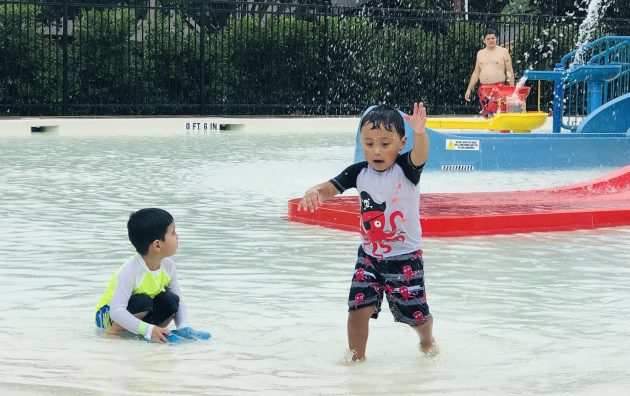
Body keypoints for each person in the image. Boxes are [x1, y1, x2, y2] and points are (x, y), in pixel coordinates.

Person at [298, 103, 436, 361]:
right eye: (369, 143)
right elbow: (329, 188)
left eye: (385, 143)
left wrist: (420, 133)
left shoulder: (407, 168)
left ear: (401, 142)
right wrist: (314, 191)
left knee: (415, 316)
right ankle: (355, 360)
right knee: (357, 310)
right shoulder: (359, 172)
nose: (377, 150)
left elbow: (420, 153)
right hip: (369, 256)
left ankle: (427, 338)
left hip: (405, 257)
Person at [95, 208, 210, 343]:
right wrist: (148, 330)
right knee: (143, 301)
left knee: (171, 300)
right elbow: (116, 311)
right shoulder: (130, 269)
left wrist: (183, 326)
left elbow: (179, 300)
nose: (178, 236)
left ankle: (156, 333)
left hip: (140, 313)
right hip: (109, 316)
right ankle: (114, 334)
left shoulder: (168, 266)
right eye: (173, 233)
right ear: (157, 245)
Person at [464, 28, 515, 117]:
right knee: (487, 116)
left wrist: (512, 89)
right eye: (488, 38)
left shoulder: (503, 52)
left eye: (493, 38)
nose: (491, 40)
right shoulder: (480, 53)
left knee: (495, 115)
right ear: (484, 40)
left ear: (496, 39)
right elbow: (476, 73)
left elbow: (509, 71)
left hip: (498, 89)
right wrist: (469, 89)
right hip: (483, 89)